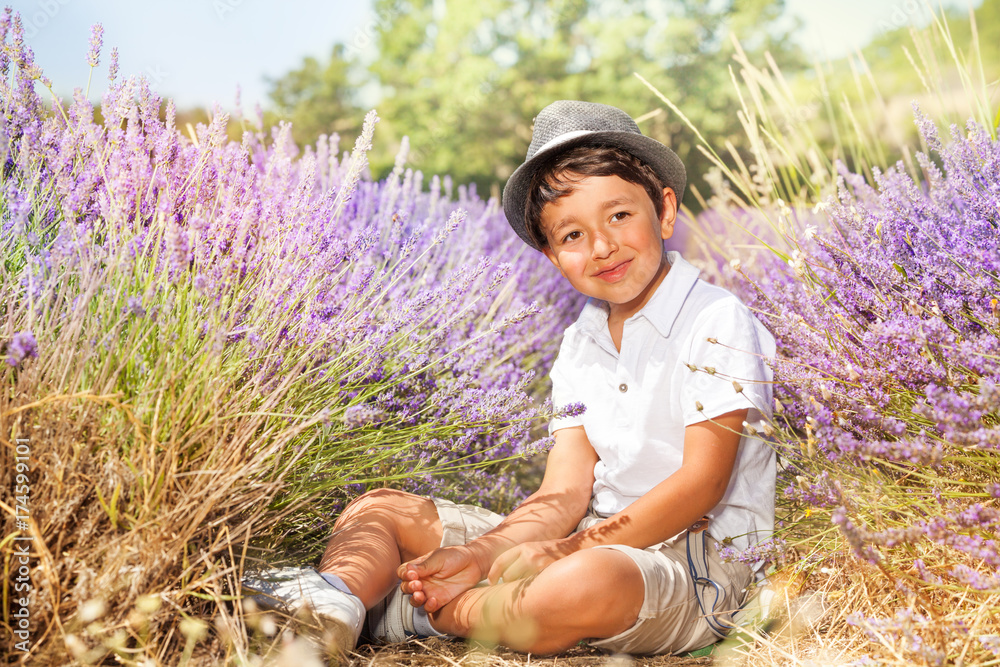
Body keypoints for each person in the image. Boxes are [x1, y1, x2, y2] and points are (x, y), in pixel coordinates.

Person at [242, 100, 776, 659]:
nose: (601, 246)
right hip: (590, 535)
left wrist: (566, 551)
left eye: (619, 216)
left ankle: (429, 612)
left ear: (664, 211)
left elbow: (702, 483)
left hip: (699, 567)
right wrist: (480, 556)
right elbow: (563, 491)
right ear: (550, 257)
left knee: (582, 583)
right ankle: (336, 606)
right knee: (376, 511)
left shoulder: (714, 318)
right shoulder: (581, 344)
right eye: (571, 235)